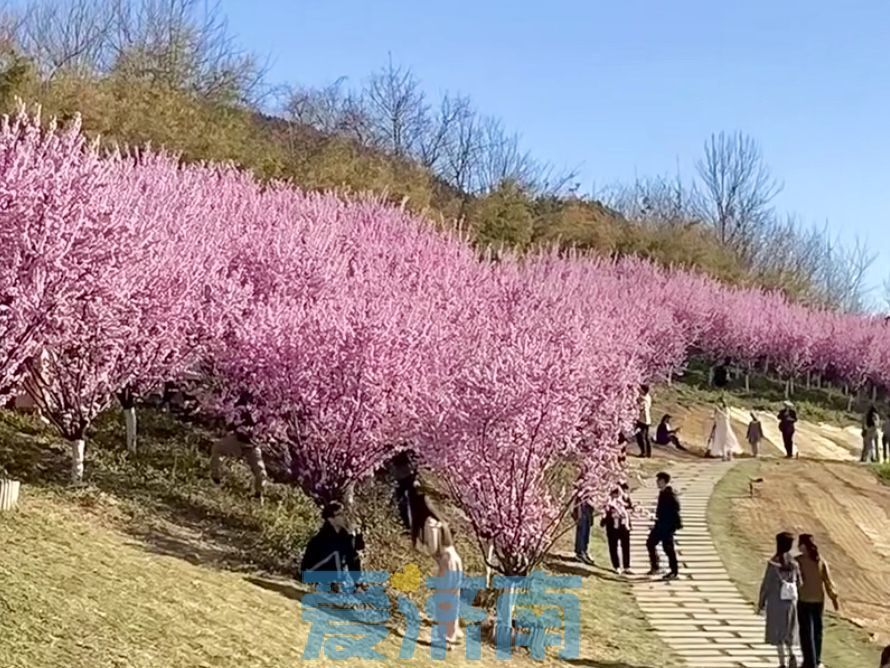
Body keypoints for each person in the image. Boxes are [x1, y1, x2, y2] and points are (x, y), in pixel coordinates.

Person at [758, 532, 802, 668]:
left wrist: (761, 603)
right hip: (791, 603)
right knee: (789, 631)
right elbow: (800, 583)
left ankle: (782, 663)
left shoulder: (773, 563)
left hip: (776, 602)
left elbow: (766, 585)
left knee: (778, 634)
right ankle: (792, 655)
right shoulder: (794, 564)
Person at [796, 534, 839, 668]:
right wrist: (834, 598)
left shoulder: (798, 561)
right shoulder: (821, 561)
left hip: (804, 599)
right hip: (818, 600)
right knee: (817, 631)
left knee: (805, 632)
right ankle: (817, 659)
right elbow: (828, 582)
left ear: (803, 546)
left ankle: (809, 661)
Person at [300, 501, 365, 584]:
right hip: (312, 573)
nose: (344, 517)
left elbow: (355, 553)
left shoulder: (344, 536)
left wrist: (357, 535)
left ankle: (356, 584)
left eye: (344, 513)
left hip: (333, 575)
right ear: (330, 519)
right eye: (340, 514)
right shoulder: (322, 537)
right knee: (336, 552)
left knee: (354, 555)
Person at [432, 524, 464, 647]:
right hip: (454, 562)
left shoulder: (443, 546)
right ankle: (451, 634)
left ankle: (445, 637)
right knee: (452, 599)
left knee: (444, 599)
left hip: (448, 562)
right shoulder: (451, 549)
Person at [646, 472, 682, 581]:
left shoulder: (669, 493)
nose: (657, 482)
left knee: (668, 548)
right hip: (660, 524)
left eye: (658, 480)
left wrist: (671, 523)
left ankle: (674, 571)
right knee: (650, 543)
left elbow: (676, 508)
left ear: (663, 481)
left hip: (667, 526)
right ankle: (656, 566)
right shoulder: (663, 492)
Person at [601, 487, 632, 574]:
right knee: (613, 546)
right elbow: (604, 512)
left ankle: (627, 566)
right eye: (614, 493)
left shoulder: (625, 498)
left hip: (623, 525)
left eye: (617, 493)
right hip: (612, 527)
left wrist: (624, 514)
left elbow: (630, 508)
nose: (616, 495)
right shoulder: (608, 501)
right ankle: (616, 566)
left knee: (625, 545)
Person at [706, 397, 742, 461]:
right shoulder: (717, 411)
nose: (719, 404)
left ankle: (730, 455)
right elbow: (716, 419)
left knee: (729, 440)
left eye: (720, 403)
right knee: (720, 441)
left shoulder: (726, 409)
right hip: (719, 428)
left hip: (726, 428)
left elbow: (726, 417)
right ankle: (724, 455)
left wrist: (719, 411)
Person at [573, 495, 595, 565]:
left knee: (586, 534)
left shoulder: (590, 494)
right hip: (582, 514)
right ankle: (580, 552)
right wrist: (577, 516)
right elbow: (577, 505)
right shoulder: (580, 495)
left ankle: (584, 551)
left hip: (587, 514)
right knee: (581, 533)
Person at [636, 385, 653, 458]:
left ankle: (643, 452)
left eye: (640, 389)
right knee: (646, 437)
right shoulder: (648, 397)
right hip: (647, 420)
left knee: (640, 436)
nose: (639, 390)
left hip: (642, 420)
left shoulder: (643, 398)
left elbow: (640, 406)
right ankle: (648, 453)